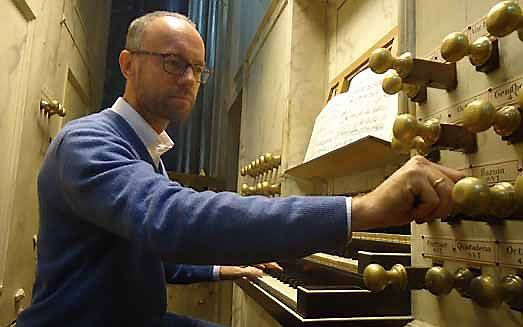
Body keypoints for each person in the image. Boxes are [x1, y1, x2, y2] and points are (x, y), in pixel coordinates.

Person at [16, 11, 464, 327]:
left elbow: (148, 256)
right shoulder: (88, 141)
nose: (189, 79)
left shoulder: (146, 148)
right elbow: (170, 219)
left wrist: (221, 269)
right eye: (173, 63)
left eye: (197, 69)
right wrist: (358, 208)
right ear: (128, 64)